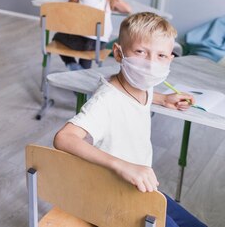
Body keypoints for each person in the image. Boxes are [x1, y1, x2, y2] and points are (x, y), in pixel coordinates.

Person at [54, 12, 206, 227]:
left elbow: (137, 97)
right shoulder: (106, 100)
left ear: (170, 58)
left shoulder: (142, 85)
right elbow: (64, 137)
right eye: (141, 52)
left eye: (161, 56)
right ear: (118, 53)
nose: (150, 64)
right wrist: (122, 166)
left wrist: (163, 99)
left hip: (135, 188)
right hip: (112, 195)